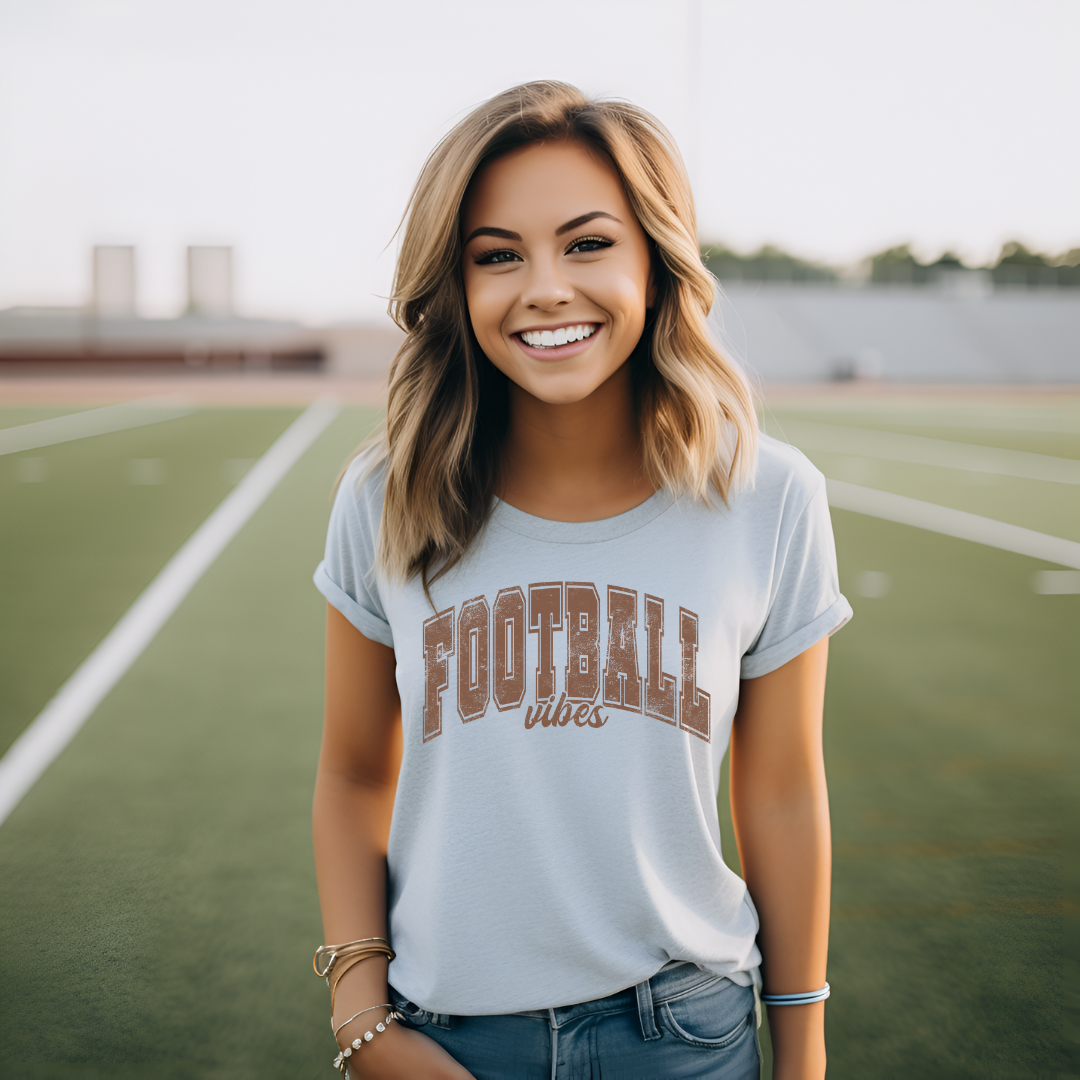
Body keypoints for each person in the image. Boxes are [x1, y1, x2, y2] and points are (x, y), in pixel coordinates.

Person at [312, 80, 851, 1080]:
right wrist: (361, 1016)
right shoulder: (387, 497)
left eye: (588, 243)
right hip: (448, 1039)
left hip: (685, 1036)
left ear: (657, 257)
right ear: (455, 283)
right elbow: (352, 774)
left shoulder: (769, 496)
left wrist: (804, 1056)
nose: (545, 287)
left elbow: (780, 793)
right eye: (498, 255)